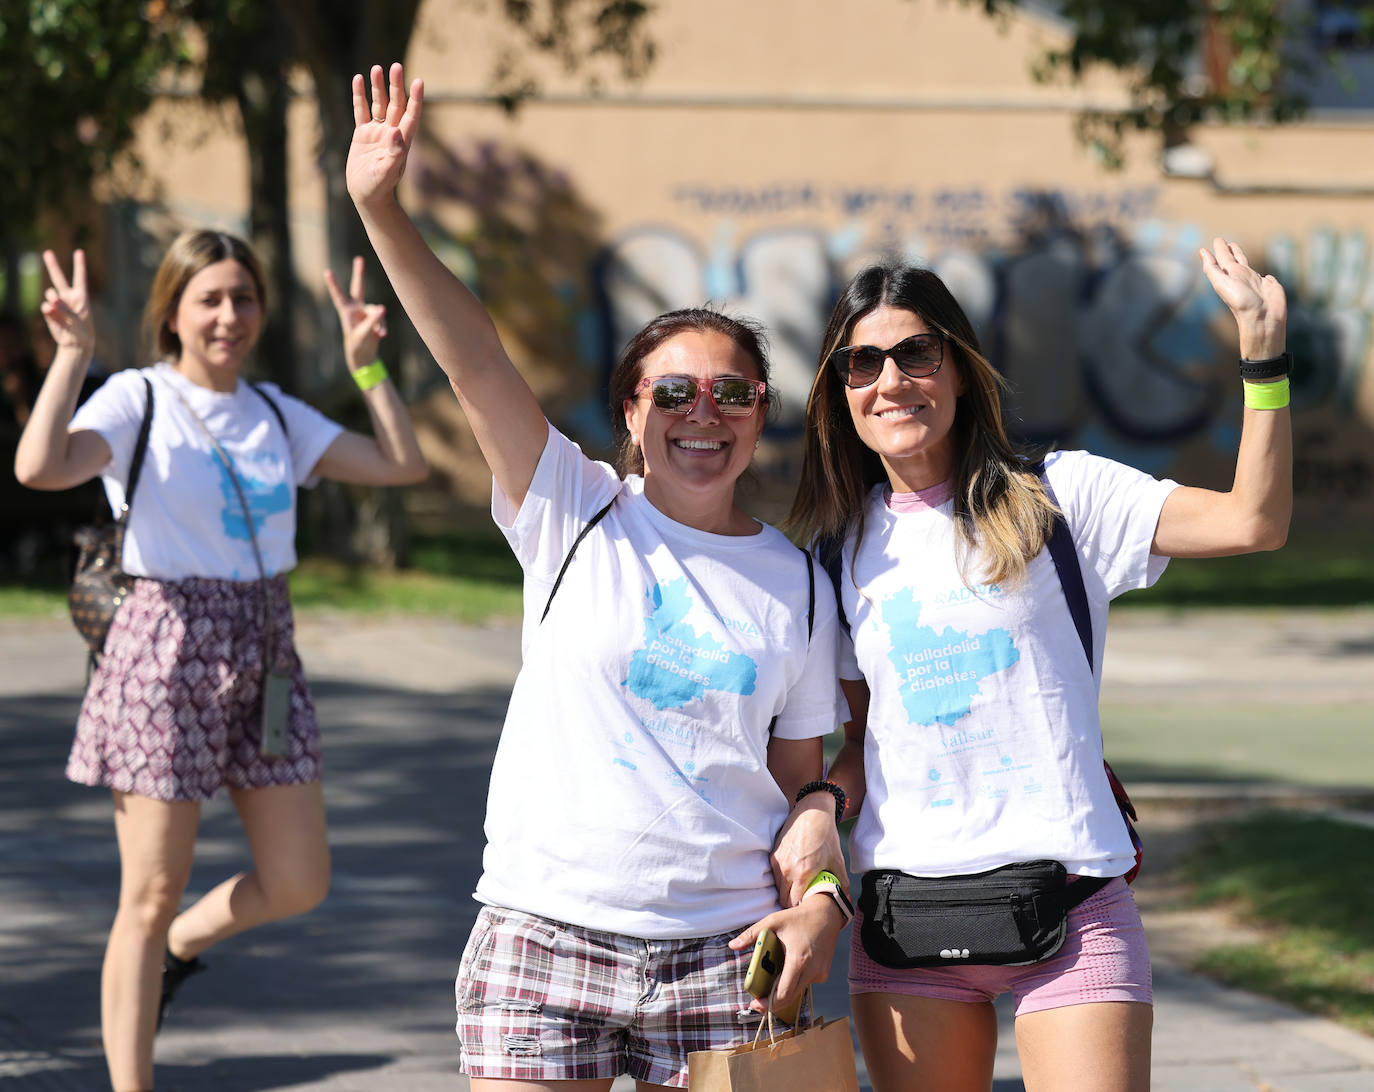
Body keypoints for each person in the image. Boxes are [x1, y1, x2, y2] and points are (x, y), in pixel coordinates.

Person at [345, 62, 850, 1090]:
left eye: (731, 393)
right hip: (544, 941)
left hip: (723, 956)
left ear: (760, 414)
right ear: (631, 413)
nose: (701, 413)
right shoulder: (571, 508)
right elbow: (473, 359)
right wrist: (382, 212)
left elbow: (806, 787)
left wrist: (822, 898)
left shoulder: (796, 584)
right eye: (673, 391)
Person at [783, 239, 1290, 1092]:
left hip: (1072, 901)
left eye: (917, 352)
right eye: (862, 363)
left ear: (958, 366)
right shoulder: (834, 554)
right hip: (908, 923)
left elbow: (1253, 522)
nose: (891, 380)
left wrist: (1264, 353)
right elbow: (866, 738)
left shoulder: (1061, 497)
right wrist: (822, 812)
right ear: (840, 392)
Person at [13, 231, 427, 1092]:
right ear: (172, 311)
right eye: (209, 298)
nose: (228, 315)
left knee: (298, 879)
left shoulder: (275, 413)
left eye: (243, 297)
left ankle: (180, 946)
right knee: (149, 889)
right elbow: (40, 466)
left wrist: (367, 370)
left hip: (268, 652)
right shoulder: (138, 399)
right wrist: (74, 354)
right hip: (164, 650)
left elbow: (402, 462)